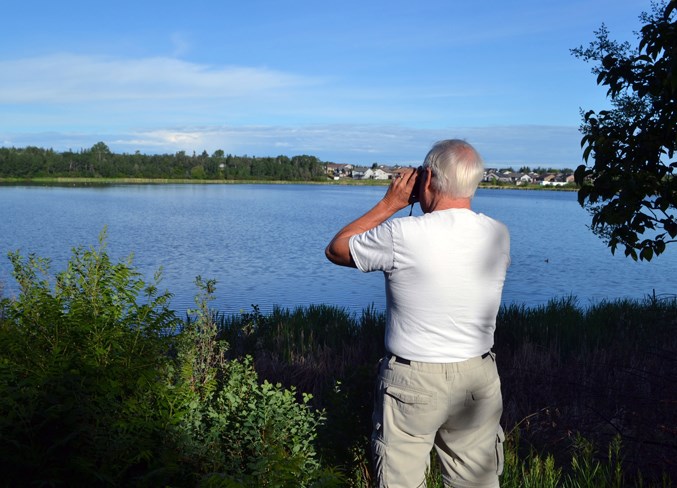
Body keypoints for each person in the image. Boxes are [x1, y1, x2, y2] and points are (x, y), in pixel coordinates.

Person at [325, 139, 510, 488]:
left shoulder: (402, 234)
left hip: (413, 381)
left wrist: (390, 202)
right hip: (478, 376)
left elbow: (336, 249)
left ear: (428, 180)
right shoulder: (497, 234)